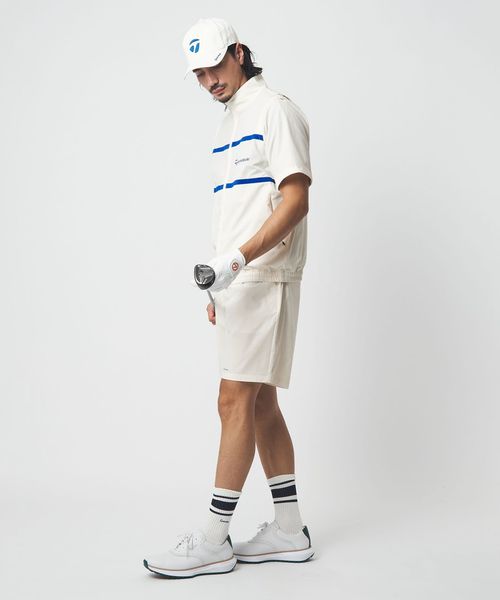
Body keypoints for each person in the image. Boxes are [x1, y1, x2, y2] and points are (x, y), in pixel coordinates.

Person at [143, 17, 314, 579]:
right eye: (199, 73)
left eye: (216, 66)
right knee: (259, 404)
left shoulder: (275, 110)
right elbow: (238, 209)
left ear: (239, 52)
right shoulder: (229, 120)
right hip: (238, 280)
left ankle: (215, 540)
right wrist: (221, 276)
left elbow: (295, 200)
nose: (209, 80)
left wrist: (237, 262)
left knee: (232, 400)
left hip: (263, 276)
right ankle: (289, 530)